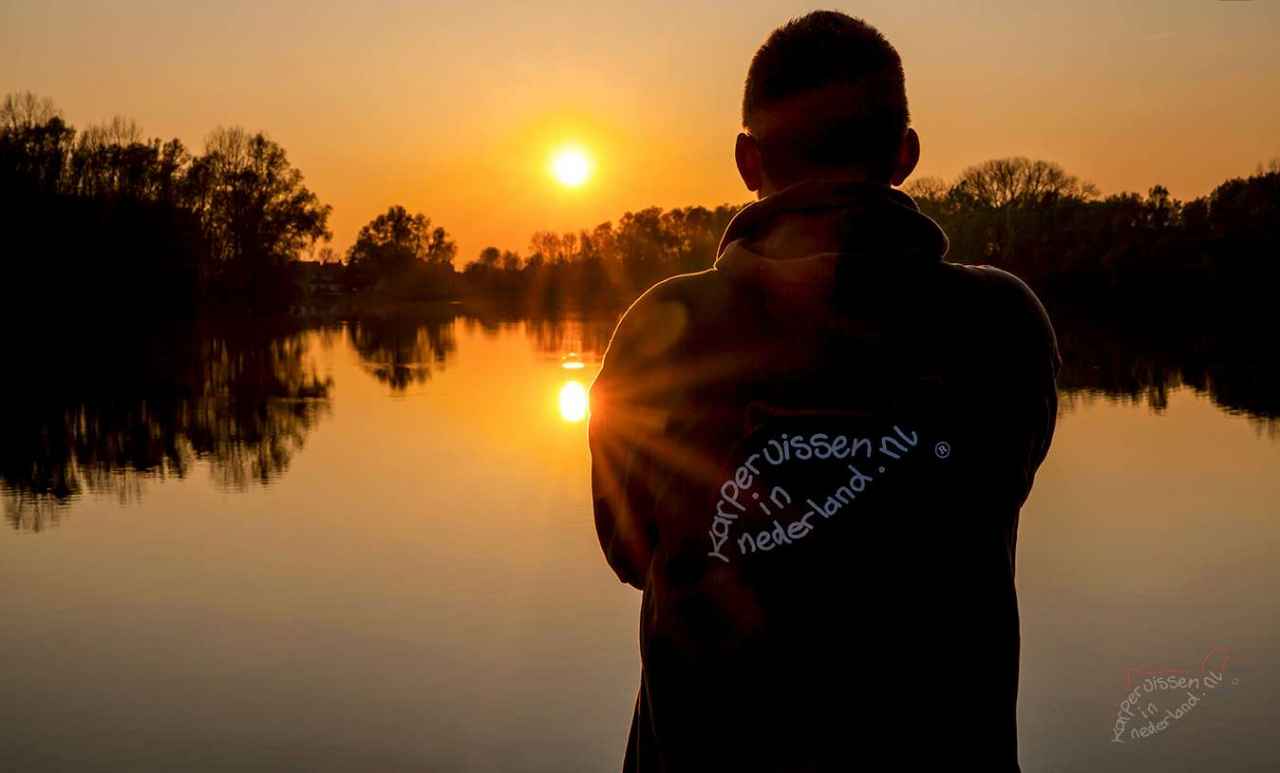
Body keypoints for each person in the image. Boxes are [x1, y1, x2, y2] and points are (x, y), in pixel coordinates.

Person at [588, 11, 1059, 772]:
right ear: (905, 155)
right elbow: (1002, 479)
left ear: (749, 160)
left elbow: (630, 550)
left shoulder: (661, 328)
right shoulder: (1002, 321)